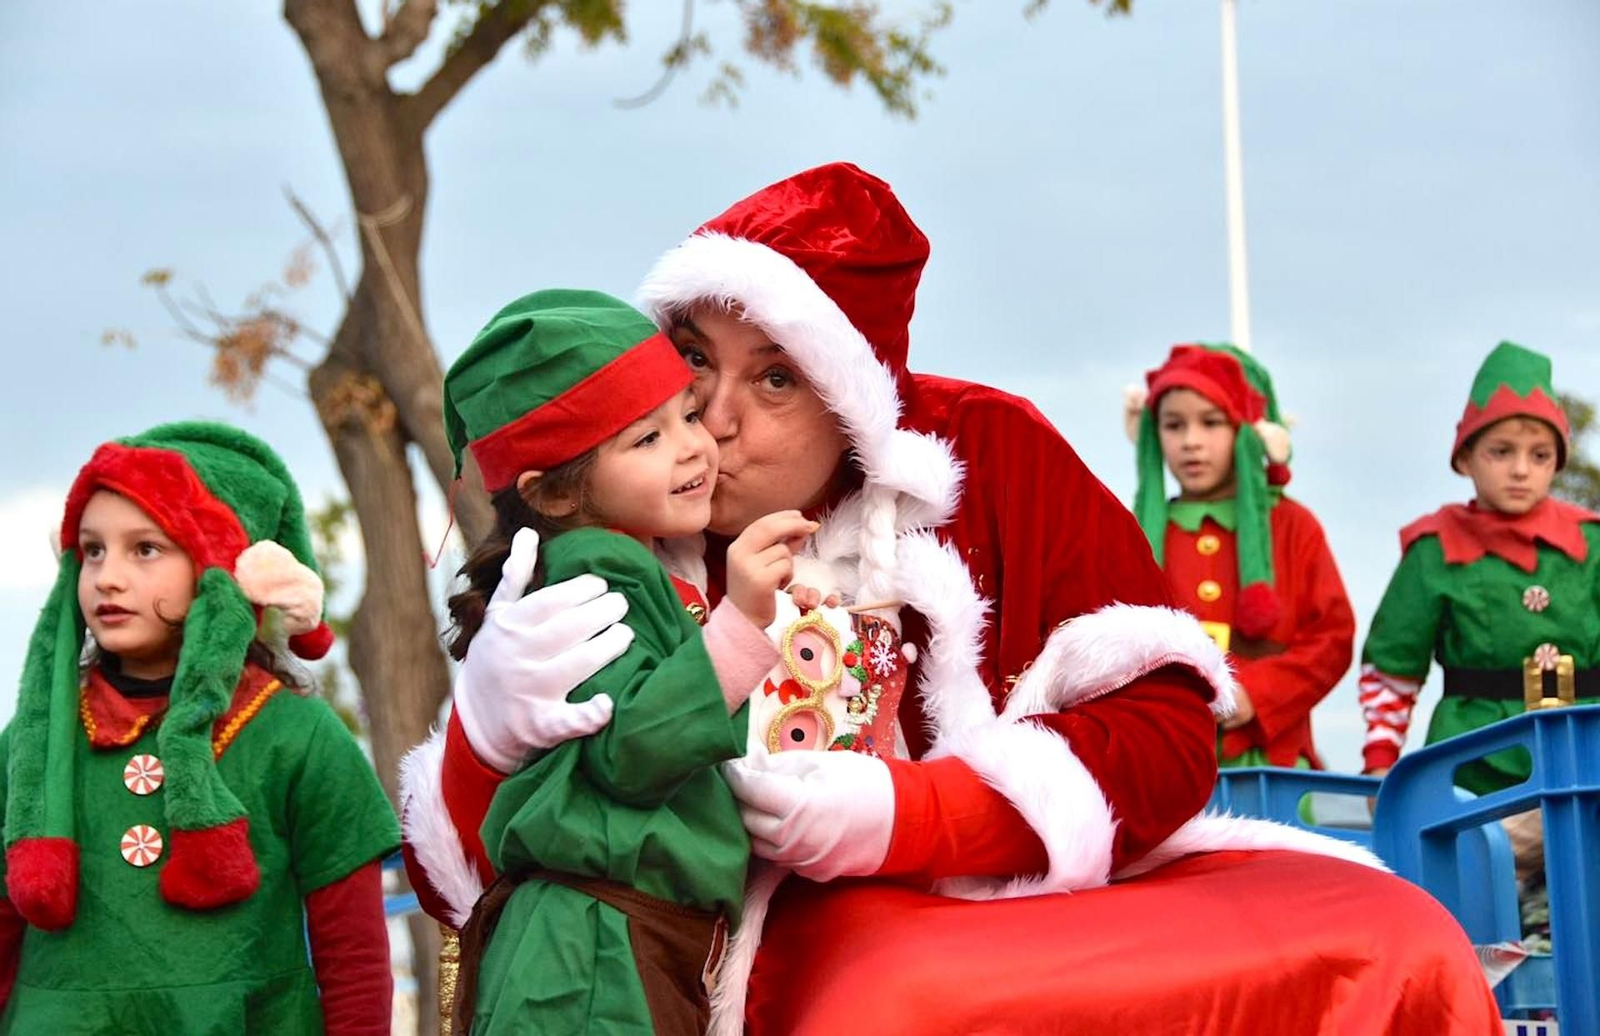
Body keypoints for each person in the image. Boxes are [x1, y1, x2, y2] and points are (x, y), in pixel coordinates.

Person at [403, 164, 1501, 1033]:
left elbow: (1167, 735)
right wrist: (484, 744)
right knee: (897, 999)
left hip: (1026, 887)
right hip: (746, 928)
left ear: (852, 398)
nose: (712, 417)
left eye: (776, 376)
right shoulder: (601, 537)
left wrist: (912, 815)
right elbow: (474, 901)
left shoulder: (988, 451)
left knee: (1391, 931)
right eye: (691, 359)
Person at [438, 288, 821, 1034]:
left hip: (611, 941)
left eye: (684, 412)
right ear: (551, 494)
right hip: (590, 953)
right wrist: (744, 620)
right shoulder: (596, 577)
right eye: (644, 440)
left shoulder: (622, 563)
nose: (693, 446)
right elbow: (636, 749)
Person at [0, 422, 399, 1034]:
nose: (107, 575)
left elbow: (355, 963)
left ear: (218, 567)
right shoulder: (34, 743)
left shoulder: (300, 736)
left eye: (146, 549)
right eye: (93, 549)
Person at [1359, 341, 1600, 788]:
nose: (1521, 470)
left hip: (1586, 752)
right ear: (1466, 458)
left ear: (1558, 462)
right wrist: (1379, 761)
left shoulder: (1593, 542)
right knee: (1477, 856)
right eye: (1501, 452)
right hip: (1473, 760)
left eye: (1539, 455)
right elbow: (1393, 665)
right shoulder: (1434, 549)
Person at [1128, 343, 1354, 768]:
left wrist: (1258, 694)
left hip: (1271, 758)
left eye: (1211, 423)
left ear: (1247, 432)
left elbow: (1333, 635)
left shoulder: (1291, 526)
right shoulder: (1135, 532)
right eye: (1174, 425)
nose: (1191, 442)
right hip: (1166, 760)